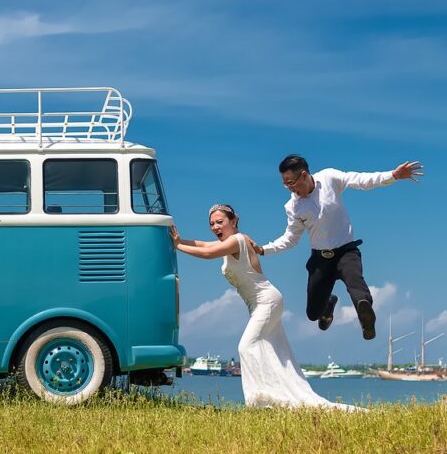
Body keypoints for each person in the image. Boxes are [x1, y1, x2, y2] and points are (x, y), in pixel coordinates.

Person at [171, 204, 359, 410]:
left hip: (266, 301)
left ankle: (259, 400)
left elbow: (208, 254)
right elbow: (205, 246)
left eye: (220, 222)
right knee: (273, 352)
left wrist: (177, 246)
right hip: (260, 304)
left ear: (233, 221)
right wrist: (179, 240)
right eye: (212, 224)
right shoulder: (232, 241)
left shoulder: (237, 240)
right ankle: (271, 398)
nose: (215, 227)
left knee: (246, 346)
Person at [254, 155, 424, 341]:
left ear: (304, 175)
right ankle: (328, 303)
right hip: (320, 259)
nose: (290, 188)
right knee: (313, 313)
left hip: (346, 252)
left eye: (291, 183)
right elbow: (290, 239)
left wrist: (394, 175)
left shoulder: (328, 178)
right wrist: (263, 250)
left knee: (356, 286)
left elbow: (361, 180)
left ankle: (365, 318)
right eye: (286, 185)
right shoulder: (293, 207)